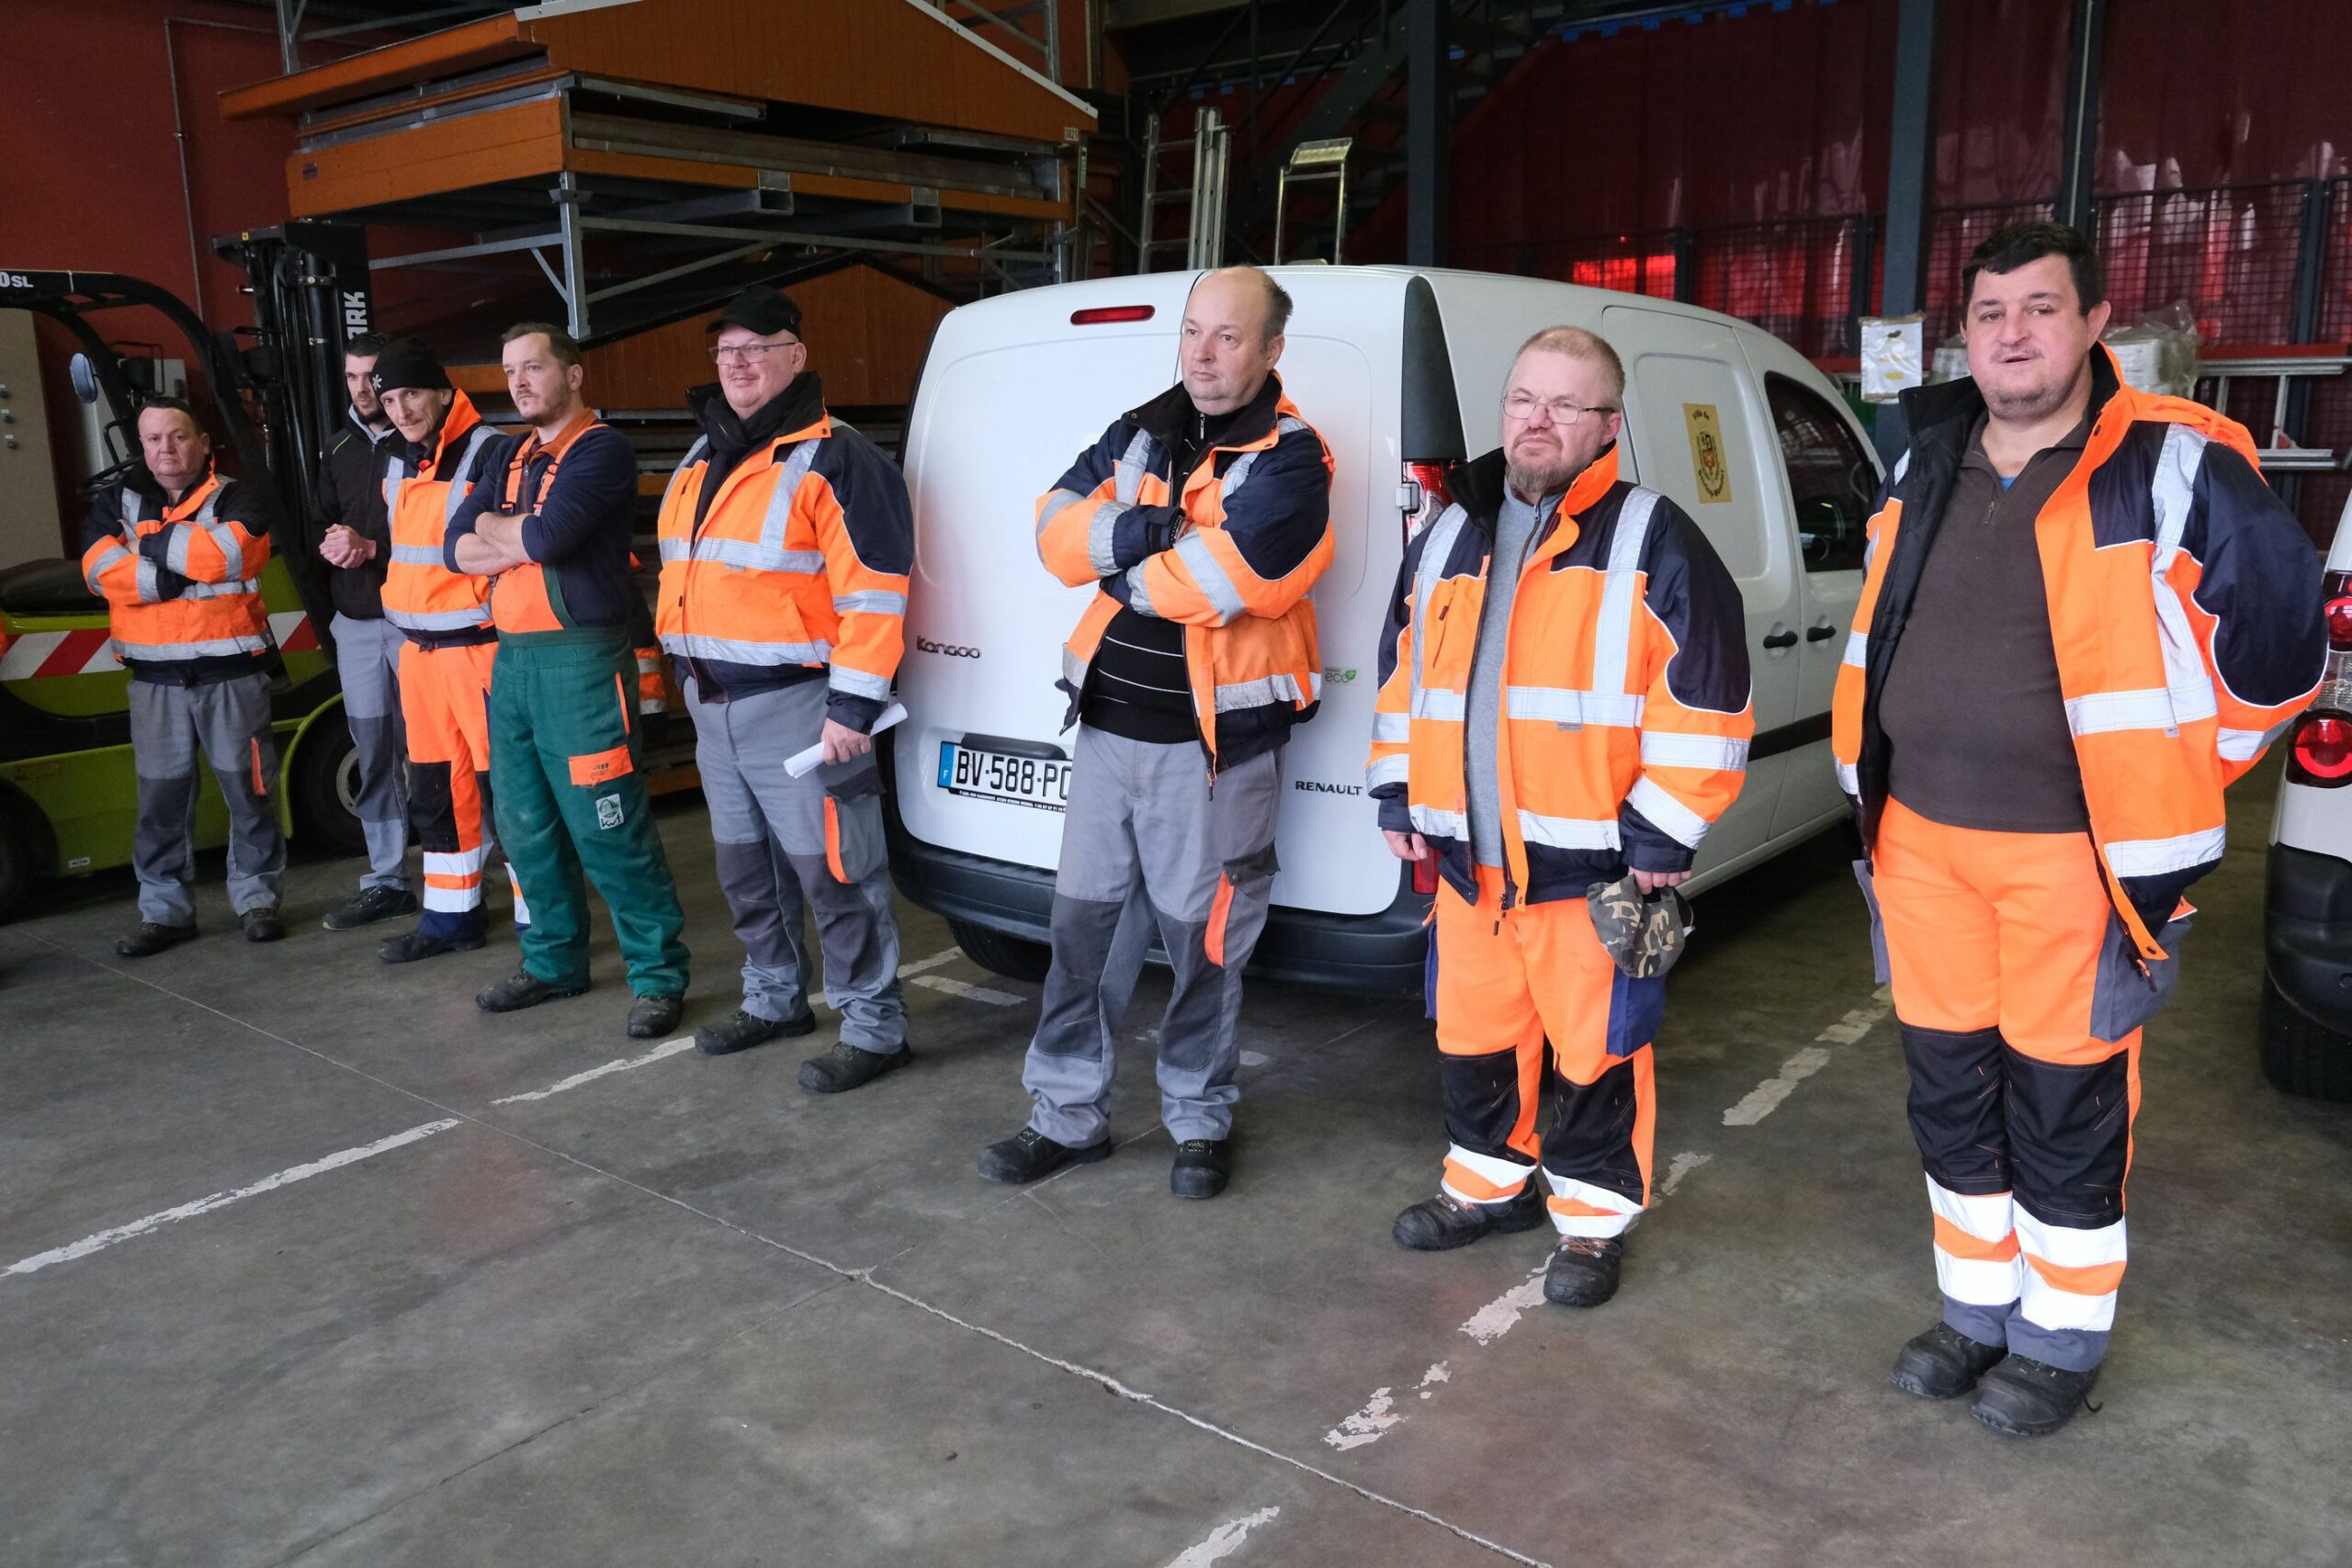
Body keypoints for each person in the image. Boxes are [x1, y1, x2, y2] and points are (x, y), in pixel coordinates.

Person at [1835, 222, 2324, 1437]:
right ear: (1964, 336)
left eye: (2041, 308)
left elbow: (2282, 646)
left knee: (2064, 1102)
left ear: (2096, 323)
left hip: (2075, 861)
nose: (2012, 334)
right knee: (1950, 1091)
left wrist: (2180, 767)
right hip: (1918, 844)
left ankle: (2058, 1341)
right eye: (1989, 312)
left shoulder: (2170, 462)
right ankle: (1975, 1312)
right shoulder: (1927, 459)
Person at [1367, 327, 1752, 1311]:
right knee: (1474, 1037)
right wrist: (1397, 790)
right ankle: (1485, 1186)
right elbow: (1403, 679)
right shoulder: (1445, 535)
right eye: (1522, 399)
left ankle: (1590, 1223)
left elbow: (1706, 701)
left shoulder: (1651, 537)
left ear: (1608, 426)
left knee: (1596, 1053)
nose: (1536, 421)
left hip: (1592, 871)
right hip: (1468, 865)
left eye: (1564, 405)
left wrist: (1663, 836)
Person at [978, 266, 1334, 1200]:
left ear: (1271, 350)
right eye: (1192, 332)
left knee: (1204, 947)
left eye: (1228, 336)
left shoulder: (1294, 460)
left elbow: (1224, 582)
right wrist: (1151, 533)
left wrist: (1116, 557)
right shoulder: (1139, 429)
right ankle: (1065, 1116)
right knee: (1080, 938)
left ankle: (1198, 1118)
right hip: (1106, 735)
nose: (1203, 355)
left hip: (1210, 757)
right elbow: (1052, 530)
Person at [656, 286, 916, 1089]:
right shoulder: (702, 456)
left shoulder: (838, 458)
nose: (736, 363)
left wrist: (853, 707)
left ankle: (873, 1025)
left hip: (803, 710)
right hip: (714, 708)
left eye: (755, 348)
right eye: (725, 350)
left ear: (795, 357)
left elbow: (876, 593)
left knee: (837, 872)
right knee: (746, 871)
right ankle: (773, 999)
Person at [447, 322, 691, 1039]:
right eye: (509, 370)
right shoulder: (505, 452)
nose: (519, 382)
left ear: (573, 374)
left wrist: (509, 533)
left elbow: (550, 538)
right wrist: (518, 533)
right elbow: (454, 546)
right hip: (513, 663)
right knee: (525, 827)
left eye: (533, 367)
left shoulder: (602, 450)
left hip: (581, 665)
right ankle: (554, 962)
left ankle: (658, 975)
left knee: (609, 827)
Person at [80, 400, 288, 954]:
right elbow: (98, 570)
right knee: (160, 806)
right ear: (141, 446)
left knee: (250, 794)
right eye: (152, 439)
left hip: (230, 676)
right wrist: (172, 572)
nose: (165, 449)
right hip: (155, 683)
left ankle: (258, 901)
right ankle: (165, 914)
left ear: (202, 442)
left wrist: (145, 545)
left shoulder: (238, 497)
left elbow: (228, 556)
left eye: (177, 436)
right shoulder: (114, 501)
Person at [369, 340, 513, 963]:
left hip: (482, 651)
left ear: (444, 392)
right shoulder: (394, 460)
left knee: (509, 796)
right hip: (420, 655)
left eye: (412, 394)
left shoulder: (494, 451)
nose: (401, 410)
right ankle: (451, 920)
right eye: (389, 400)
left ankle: (543, 926)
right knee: (435, 792)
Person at [313, 332, 417, 932]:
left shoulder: (422, 445)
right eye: (352, 377)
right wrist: (334, 544)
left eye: (371, 377)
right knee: (374, 754)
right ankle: (386, 880)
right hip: (356, 624)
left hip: (417, 623)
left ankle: (475, 872)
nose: (363, 389)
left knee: (439, 752)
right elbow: (322, 520)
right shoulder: (336, 449)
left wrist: (372, 546)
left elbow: (444, 537)